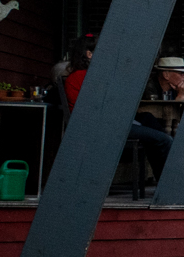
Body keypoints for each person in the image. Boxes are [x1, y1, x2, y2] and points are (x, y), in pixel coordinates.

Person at [63, 37, 174, 182]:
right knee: (163, 139)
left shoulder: (80, 76)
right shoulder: (87, 76)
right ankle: (168, 183)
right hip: (103, 126)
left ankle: (163, 179)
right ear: (89, 54)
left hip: (105, 122)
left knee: (149, 120)